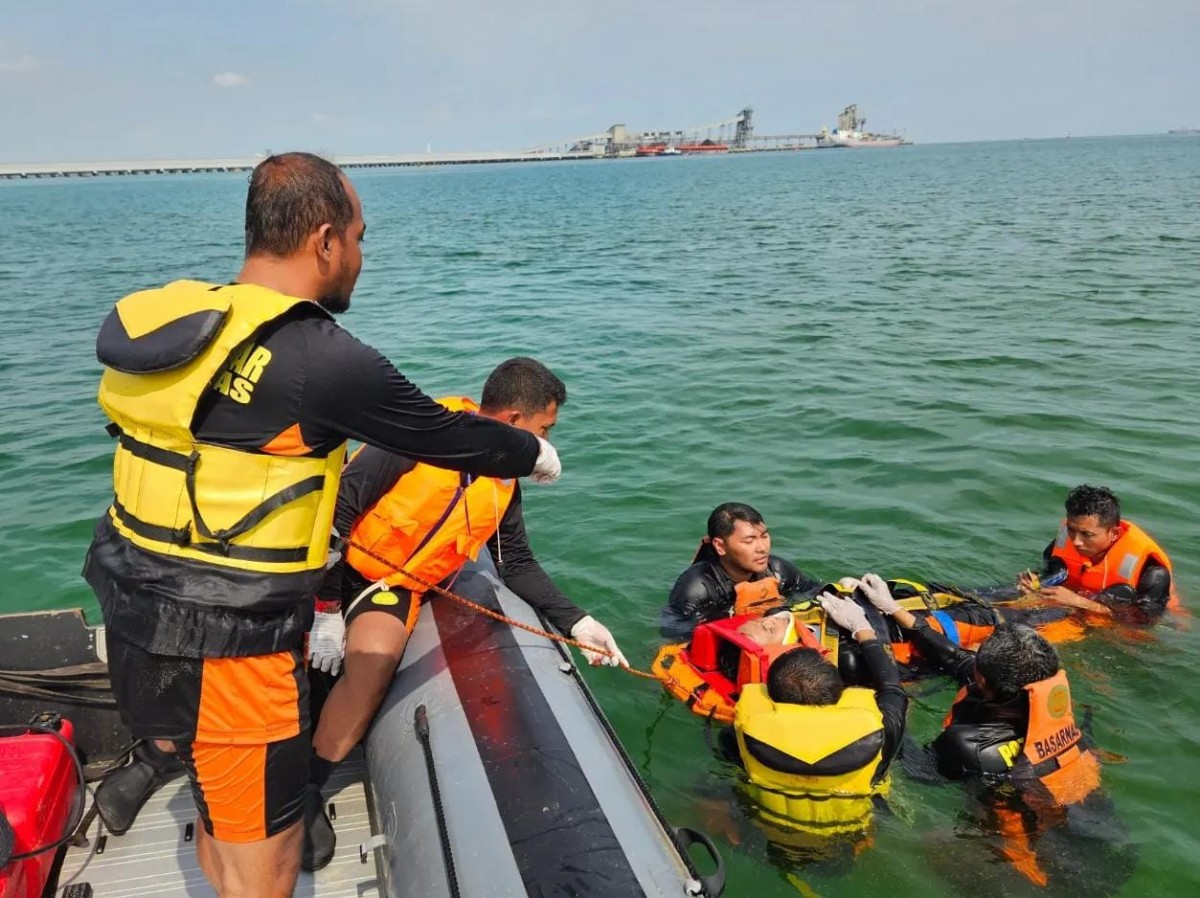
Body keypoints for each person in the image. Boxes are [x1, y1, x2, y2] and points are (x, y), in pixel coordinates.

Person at [82, 153, 561, 898]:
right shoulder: (320, 358)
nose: (362, 260)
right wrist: (532, 452)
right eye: (362, 240)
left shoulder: (183, 323)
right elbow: (448, 435)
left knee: (220, 810)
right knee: (264, 868)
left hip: (130, 611)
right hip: (230, 646)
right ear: (327, 240)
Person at [302, 357, 626, 868]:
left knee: (374, 660)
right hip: (337, 571)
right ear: (516, 423)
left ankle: (308, 790)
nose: (546, 443)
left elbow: (514, 563)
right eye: (544, 429)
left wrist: (579, 622)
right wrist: (324, 608)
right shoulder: (416, 433)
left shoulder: (502, 477)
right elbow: (334, 513)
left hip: (393, 587)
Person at [857, 574, 1136, 894]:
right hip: (1102, 849)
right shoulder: (1047, 705)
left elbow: (919, 771)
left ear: (986, 682)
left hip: (1030, 878)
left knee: (935, 842)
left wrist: (895, 705)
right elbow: (956, 660)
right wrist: (892, 609)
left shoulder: (972, 746)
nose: (971, 658)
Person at [724, 587, 907, 859]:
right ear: (840, 693)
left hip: (772, 837)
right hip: (848, 841)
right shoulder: (883, 732)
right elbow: (893, 688)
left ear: (771, 696)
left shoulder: (739, 735)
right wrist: (863, 629)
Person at [660, 502, 822, 638]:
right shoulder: (697, 586)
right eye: (749, 540)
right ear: (720, 546)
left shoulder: (777, 570)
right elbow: (674, 630)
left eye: (764, 536)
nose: (762, 548)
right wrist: (729, 618)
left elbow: (812, 591)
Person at [1020, 484, 1178, 622]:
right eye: (1071, 529)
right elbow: (1051, 574)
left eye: (1087, 535)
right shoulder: (1062, 544)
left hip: (1118, 630)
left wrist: (1078, 602)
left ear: (1114, 533)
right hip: (1072, 604)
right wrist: (1036, 584)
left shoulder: (1152, 572)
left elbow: (1142, 623)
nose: (1076, 541)